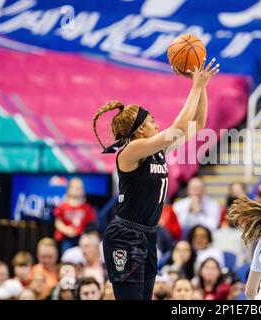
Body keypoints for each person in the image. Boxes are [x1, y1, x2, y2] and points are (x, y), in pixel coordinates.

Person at [93, 57, 219, 300]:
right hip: (125, 236)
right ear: (140, 130)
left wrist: (202, 87)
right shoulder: (130, 151)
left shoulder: (157, 151)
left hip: (148, 234)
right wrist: (194, 86)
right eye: (152, 122)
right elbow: (179, 127)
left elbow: (198, 124)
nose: (157, 124)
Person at [53, 177, 96, 254]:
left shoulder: (86, 208)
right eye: (74, 187)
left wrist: (86, 234)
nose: (77, 190)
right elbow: (58, 222)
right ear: (68, 189)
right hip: (65, 238)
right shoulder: (62, 206)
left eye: (80, 188)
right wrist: (66, 230)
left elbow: (91, 224)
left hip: (81, 238)